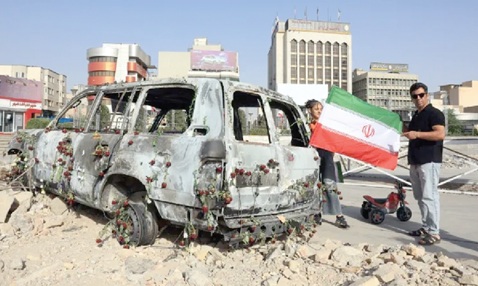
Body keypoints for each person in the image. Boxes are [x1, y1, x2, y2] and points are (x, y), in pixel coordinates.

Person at [403, 82, 445, 245]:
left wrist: (418, 134)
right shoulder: (417, 115)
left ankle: (434, 232)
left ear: (427, 95)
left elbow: (440, 134)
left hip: (430, 160)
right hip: (415, 161)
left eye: (421, 95)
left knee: (429, 196)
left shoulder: (434, 113)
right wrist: (399, 124)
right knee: (420, 197)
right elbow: (410, 134)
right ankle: (426, 226)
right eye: (415, 96)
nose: (418, 98)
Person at [305, 99, 349, 229]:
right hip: (313, 159)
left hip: (327, 158)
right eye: (316, 109)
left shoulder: (327, 125)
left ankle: (339, 216)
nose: (319, 111)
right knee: (315, 187)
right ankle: (317, 214)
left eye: (321, 108)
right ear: (309, 111)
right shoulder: (308, 126)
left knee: (330, 185)